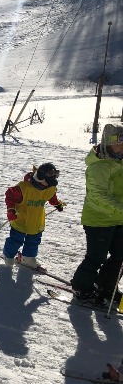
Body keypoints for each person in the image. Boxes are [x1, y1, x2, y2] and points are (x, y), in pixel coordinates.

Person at [70, 123, 123, 305]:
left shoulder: (120, 161)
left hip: (118, 218)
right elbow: (99, 195)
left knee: (120, 256)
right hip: (98, 219)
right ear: (108, 142)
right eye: (120, 142)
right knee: (96, 257)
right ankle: (81, 287)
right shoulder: (99, 166)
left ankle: (106, 286)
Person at [2, 163, 65, 270]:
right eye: (48, 183)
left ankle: (28, 258)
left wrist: (57, 204)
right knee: (15, 240)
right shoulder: (24, 188)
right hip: (21, 219)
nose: (49, 186)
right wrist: (10, 210)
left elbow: (51, 196)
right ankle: (8, 256)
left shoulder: (49, 187)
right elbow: (10, 195)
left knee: (34, 241)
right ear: (40, 179)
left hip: (36, 221)